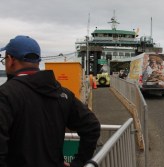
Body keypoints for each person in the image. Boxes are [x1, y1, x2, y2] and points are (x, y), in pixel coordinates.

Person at [0, 35, 100, 167]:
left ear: (11, 60)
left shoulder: (5, 94)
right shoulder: (62, 93)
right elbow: (92, 126)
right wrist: (79, 162)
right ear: (37, 61)